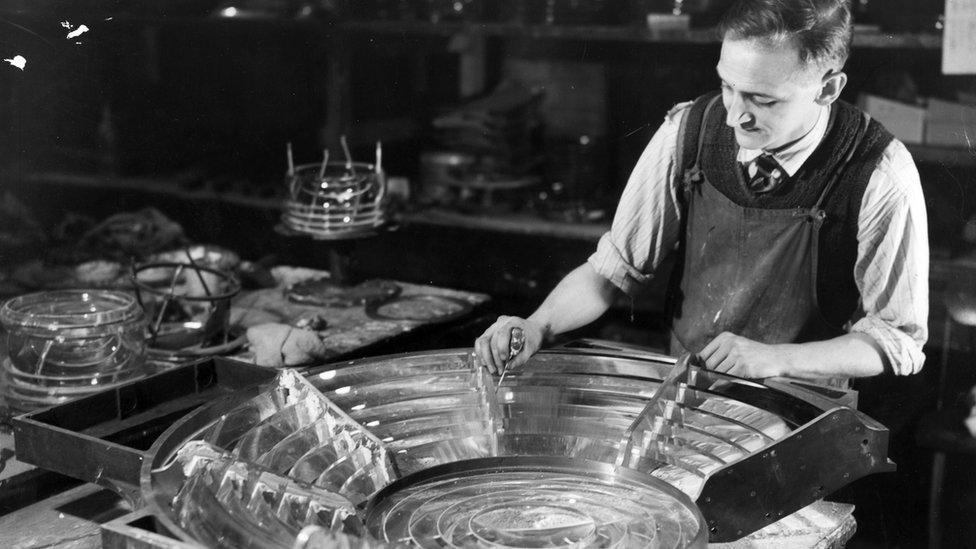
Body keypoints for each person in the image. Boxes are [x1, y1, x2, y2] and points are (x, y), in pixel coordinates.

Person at [474, 0, 928, 386]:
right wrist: (536, 325)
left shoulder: (879, 170)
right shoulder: (690, 130)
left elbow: (897, 338)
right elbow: (610, 272)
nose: (735, 118)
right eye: (728, 87)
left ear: (828, 88)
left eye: (762, 100)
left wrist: (776, 359)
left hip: (802, 415)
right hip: (690, 396)